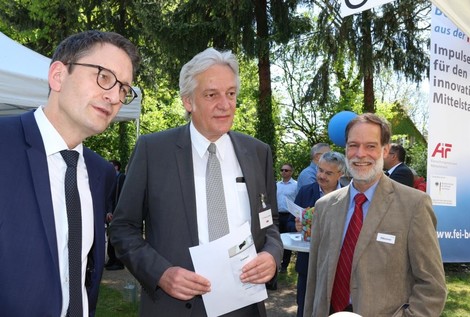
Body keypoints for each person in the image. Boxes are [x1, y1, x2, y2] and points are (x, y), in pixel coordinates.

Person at [109, 47, 283, 317]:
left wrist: (272, 255)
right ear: (188, 101)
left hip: (246, 304)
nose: (225, 104)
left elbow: (269, 222)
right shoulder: (153, 151)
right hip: (175, 307)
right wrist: (161, 273)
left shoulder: (258, 152)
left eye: (231, 94)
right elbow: (123, 228)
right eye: (212, 95)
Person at [0, 30, 140, 316]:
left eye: (124, 88)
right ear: (58, 76)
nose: (114, 96)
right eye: (103, 76)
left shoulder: (102, 174)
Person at [304, 113, 447, 316]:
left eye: (370, 146)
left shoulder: (414, 205)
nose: (360, 154)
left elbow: (432, 288)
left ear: (385, 150)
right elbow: (314, 281)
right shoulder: (324, 207)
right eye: (353, 145)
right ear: (345, 149)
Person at [288, 151, 346, 317]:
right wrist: (296, 226)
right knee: (305, 305)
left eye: (328, 173)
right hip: (308, 263)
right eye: (320, 170)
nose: (321, 176)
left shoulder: (350, 195)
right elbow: (290, 223)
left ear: (340, 174)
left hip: (338, 264)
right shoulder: (306, 191)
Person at [276, 163, 298, 274]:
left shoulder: (296, 185)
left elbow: (298, 200)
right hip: (277, 215)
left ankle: (284, 265)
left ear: (291, 172)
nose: (284, 172)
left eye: (287, 170)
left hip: (290, 216)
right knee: (277, 239)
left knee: (288, 241)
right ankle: (275, 263)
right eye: (282, 170)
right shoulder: (276, 185)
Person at [105, 160, 126, 270]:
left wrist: (117, 213)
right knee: (111, 237)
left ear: (116, 167)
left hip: (119, 213)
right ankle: (112, 259)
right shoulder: (111, 179)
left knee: (117, 237)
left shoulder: (122, 178)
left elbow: (122, 198)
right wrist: (109, 212)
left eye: (110, 165)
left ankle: (119, 262)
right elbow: (109, 198)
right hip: (112, 213)